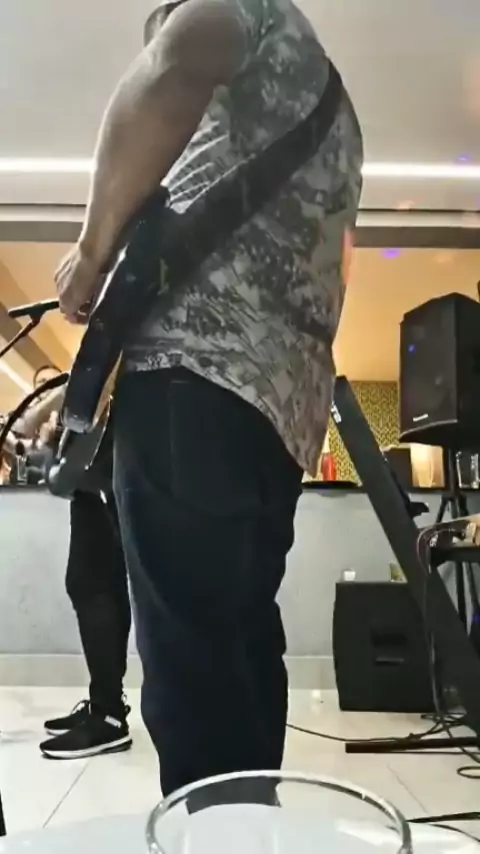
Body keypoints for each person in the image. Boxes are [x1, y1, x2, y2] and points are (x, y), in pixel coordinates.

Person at [55, 0, 363, 794]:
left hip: (191, 377)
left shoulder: (243, 9)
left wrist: (91, 252)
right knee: (240, 643)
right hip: (275, 410)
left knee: (194, 664)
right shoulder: (333, 112)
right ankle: (247, 824)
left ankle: (219, 830)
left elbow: (173, 68)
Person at [12, 369, 132, 758]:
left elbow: (99, 368)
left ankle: (109, 714)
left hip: (111, 460)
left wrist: (33, 415)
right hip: (97, 469)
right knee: (92, 582)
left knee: (95, 582)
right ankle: (105, 704)